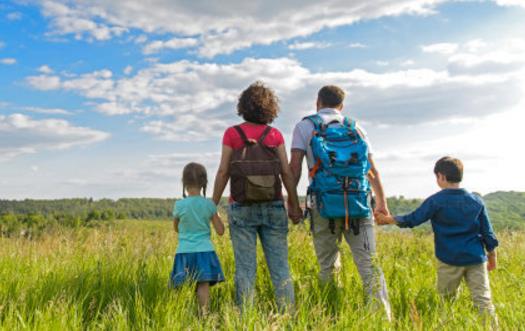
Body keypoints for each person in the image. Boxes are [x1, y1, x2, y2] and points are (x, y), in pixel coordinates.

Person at [289, 85, 391, 319]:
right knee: (369, 265)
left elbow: (294, 168)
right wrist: (381, 203)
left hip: (322, 205)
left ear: (318, 102)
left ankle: (330, 315)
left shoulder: (305, 126)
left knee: (327, 264)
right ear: (341, 106)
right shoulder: (357, 129)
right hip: (359, 204)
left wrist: (293, 204)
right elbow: (372, 170)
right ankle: (383, 319)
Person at [375, 156, 499, 326]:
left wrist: (389, 219)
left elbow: (413, 219)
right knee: (483, 301)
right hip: (476, 259)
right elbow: (488, 232)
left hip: (449, 259)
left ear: (441, 176)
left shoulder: (436, 201)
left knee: (446, 302)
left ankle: (447, 327)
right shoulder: (476, 200)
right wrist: (492, 255)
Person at [212, 81, 302, 311]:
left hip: (241, 207)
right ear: (270, 108)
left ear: (243, 106)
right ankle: (288, 318)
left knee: (245, 270)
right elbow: (285, 172)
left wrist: (212, 205)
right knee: (280, 267)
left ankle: (246, 320)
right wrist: (293, 204)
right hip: (273, 206)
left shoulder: (233, 133)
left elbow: (223, 171)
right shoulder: (275, 135)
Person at [170, 162, 226, 315]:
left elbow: (176, 228)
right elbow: (220, 231)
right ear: (204, 183)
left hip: (184, 252)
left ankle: (181, 314)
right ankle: (204, 315)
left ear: (184, 183)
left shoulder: (179, 205)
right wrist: (215, 213)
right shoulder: (209, 205)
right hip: (204, 251)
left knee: (181, 285)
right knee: (203, 285)